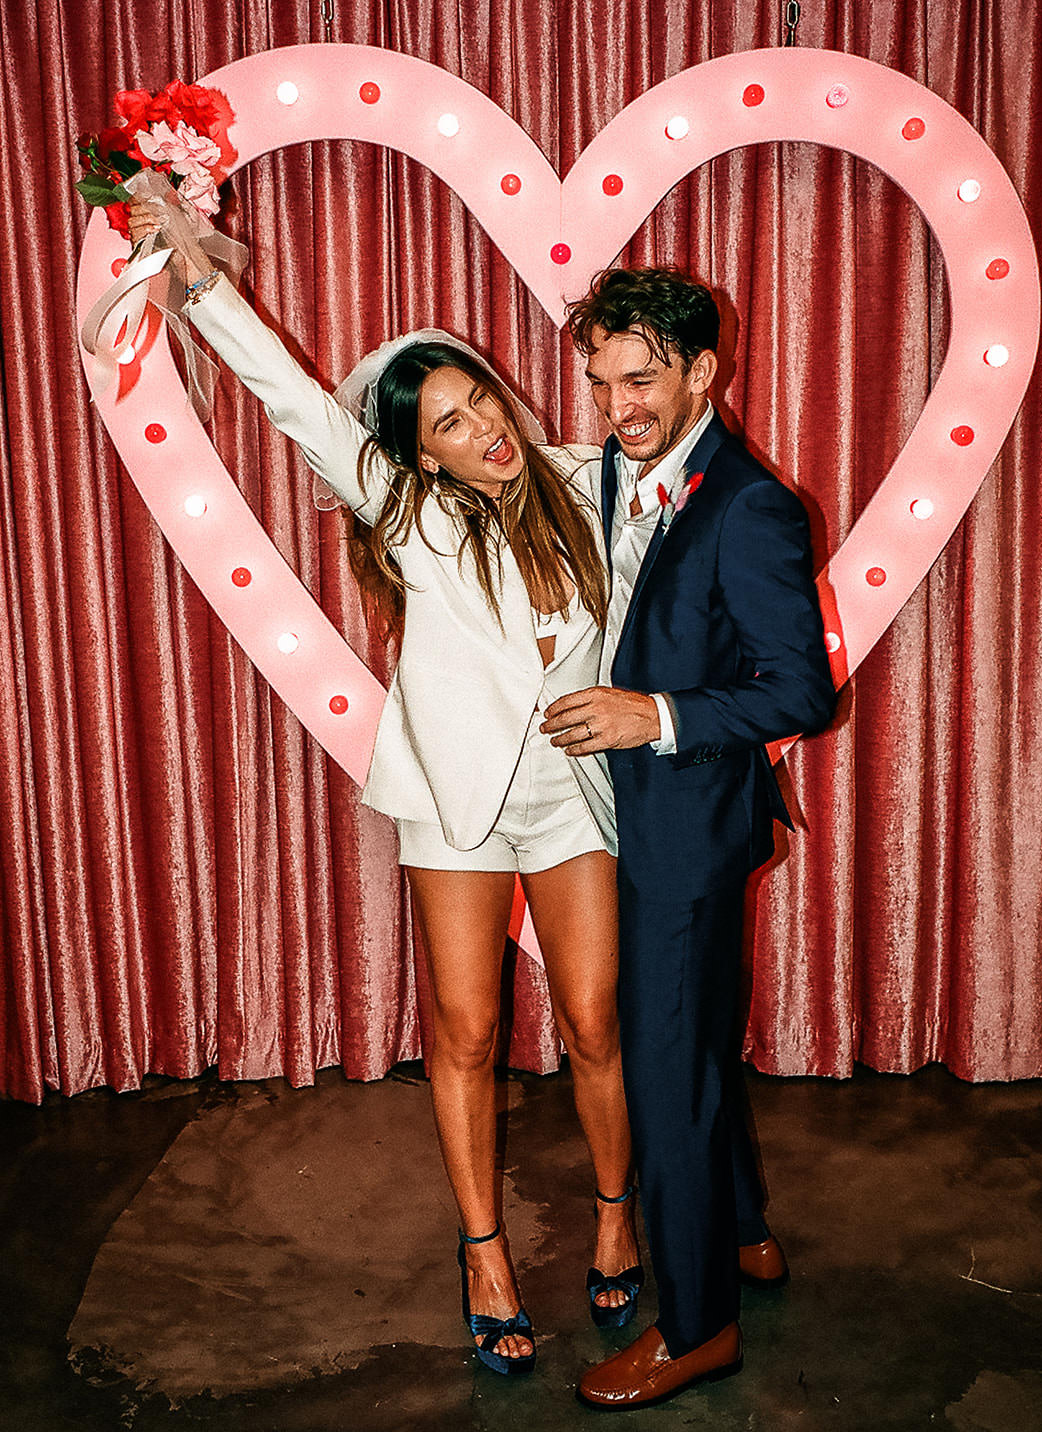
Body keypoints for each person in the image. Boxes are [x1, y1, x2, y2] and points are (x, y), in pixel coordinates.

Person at [125, 202, 641, 1376]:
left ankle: (618, 1211)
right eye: (448, 425)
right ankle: (483, 1253)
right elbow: (289, 394)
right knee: (463, 1030)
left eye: (482, 402)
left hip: (572, 797)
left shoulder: (587, 480)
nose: (482, 432)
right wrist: (194, 275)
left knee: (595, 1019)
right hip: (454, 803)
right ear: (420, 452)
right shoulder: (406, 513)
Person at [541, 266, 837, 1410]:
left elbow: (800, 693)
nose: (618, 402)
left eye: (643, 377)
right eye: (600, 377)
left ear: (703, 370)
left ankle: (698, 1323)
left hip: (686, 826)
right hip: (611, 817)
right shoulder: (613, 465)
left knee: (664, 1066)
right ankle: (746, 1229)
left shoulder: (749, 504)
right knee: (699, 1038)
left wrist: (650, 715)